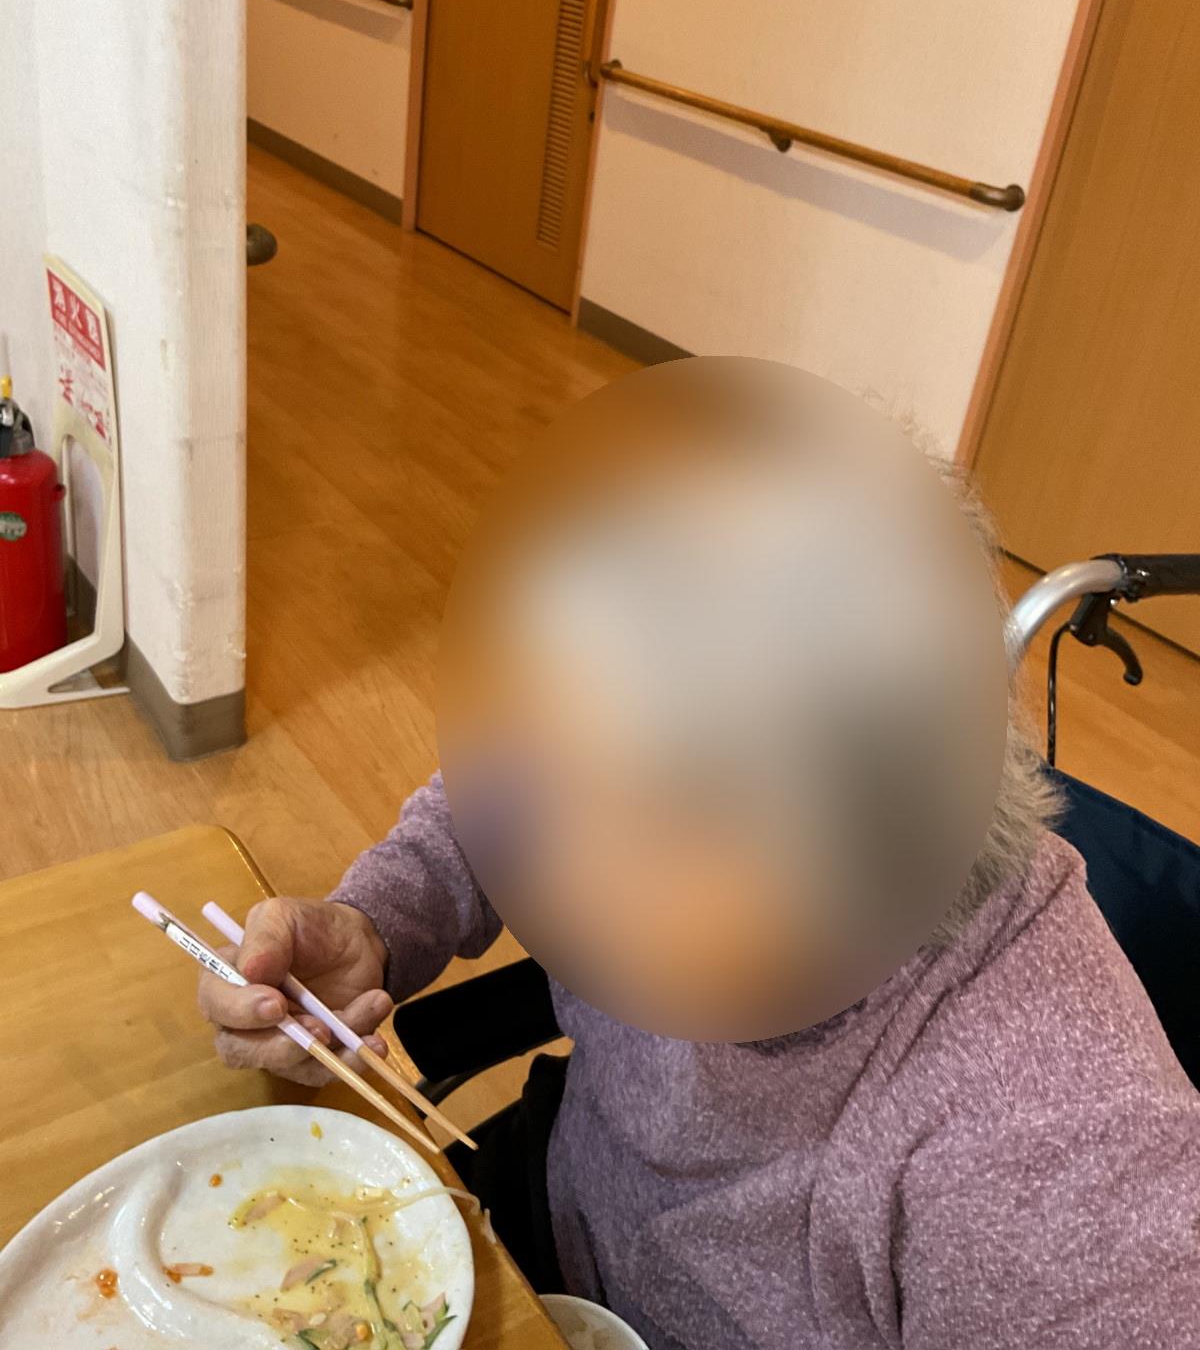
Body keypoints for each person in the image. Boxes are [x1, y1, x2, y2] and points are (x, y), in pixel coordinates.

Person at [199, 368, 1200, 1350]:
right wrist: (377, 922)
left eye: (645, 822)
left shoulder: (1056, 1162)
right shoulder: (619, 786)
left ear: (839, 848)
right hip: (555, 1226)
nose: (550, 855)